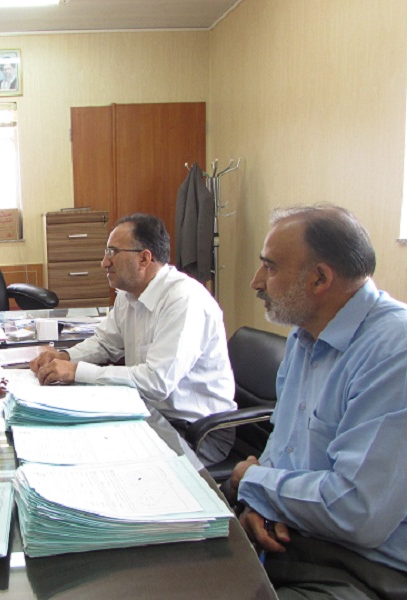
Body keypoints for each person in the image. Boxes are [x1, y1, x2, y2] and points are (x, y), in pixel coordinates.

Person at [228, 205, 407, 598]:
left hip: (366, 567)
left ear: (320, 278)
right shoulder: (304, 335)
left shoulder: (395, 352)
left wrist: (254, 481)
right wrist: (259, 504)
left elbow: (357, 511)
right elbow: (283, 447)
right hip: (300, 537)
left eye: (270, 267)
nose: (257, 281)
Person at [30, 213, 236, 465]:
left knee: (104, 460)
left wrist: (76, 371)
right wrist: (66, 356)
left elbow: (157, 382)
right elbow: (105, 343)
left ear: (144, 258)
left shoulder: (184, 300)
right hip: (147, 410)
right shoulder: (128, 295)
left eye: (112, 252)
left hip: (195, 429)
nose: (104, 262)